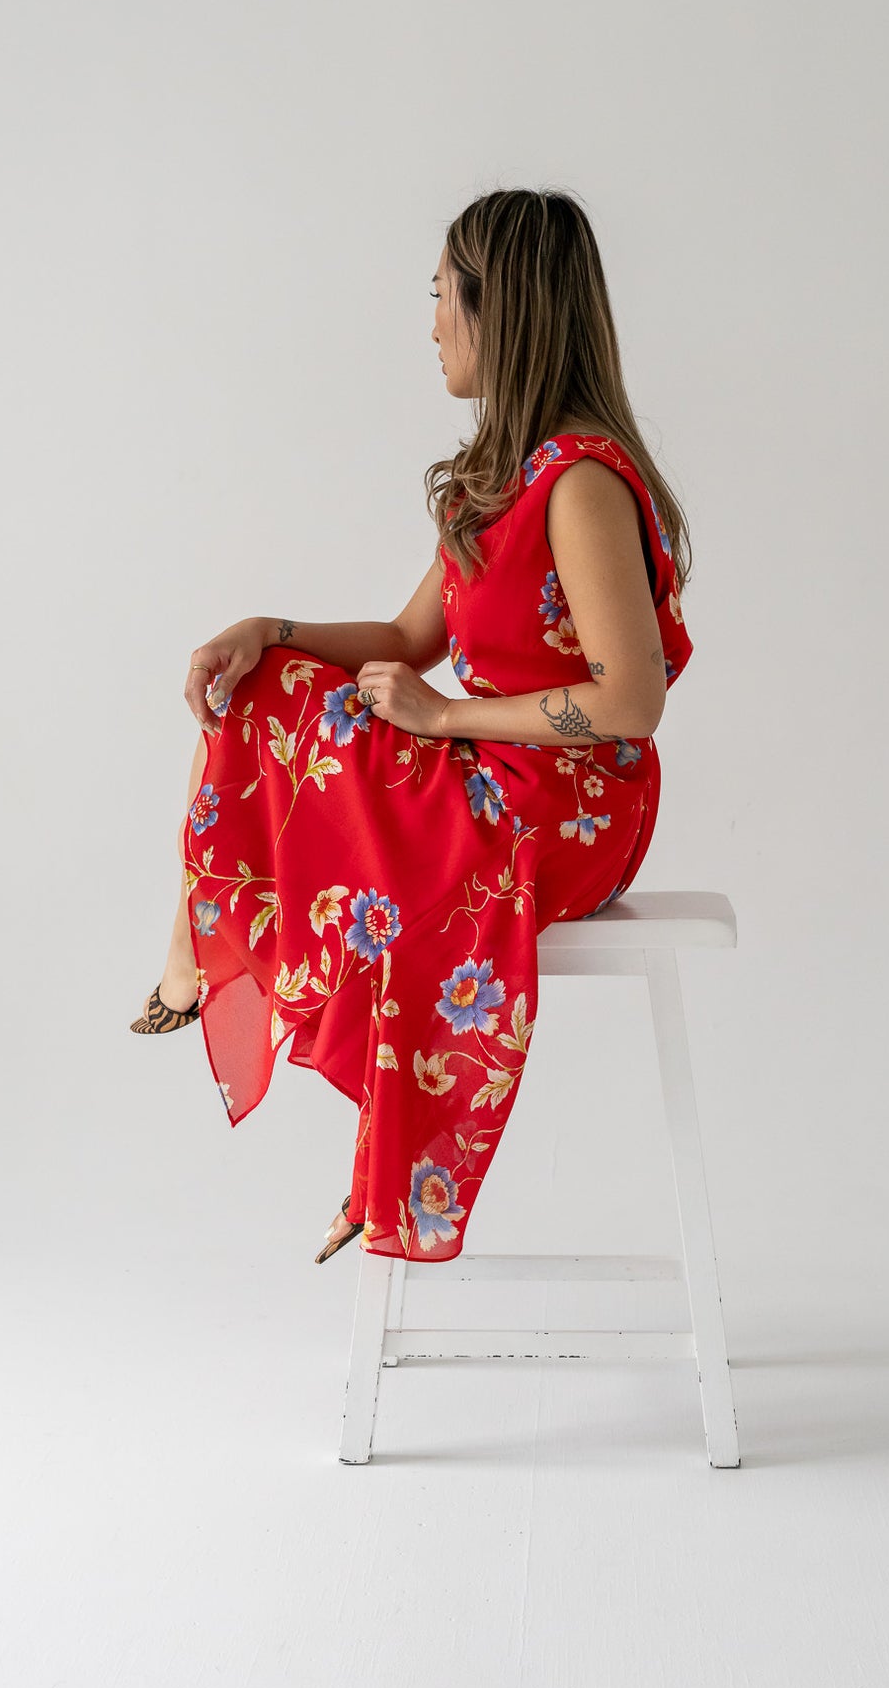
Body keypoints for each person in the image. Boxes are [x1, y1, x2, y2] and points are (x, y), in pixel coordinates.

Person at [130, 187, 695, 1266]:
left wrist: (442, 718)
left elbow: (630, 702)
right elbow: (404, 633)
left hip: (570, 802)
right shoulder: (502, 480)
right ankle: (203, 938)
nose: (431, 321)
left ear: (503, 311)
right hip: (492, 766)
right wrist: (270, 627)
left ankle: (215, 949)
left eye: (443, 296)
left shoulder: (576, 483)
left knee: (318, 725)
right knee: (276, 682)